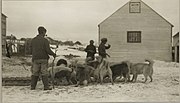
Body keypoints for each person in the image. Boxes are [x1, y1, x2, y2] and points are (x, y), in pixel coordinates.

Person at [31, 26, 56, 90]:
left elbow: (30, 49)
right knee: (44, 72)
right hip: (43, 58)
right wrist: (53, 54)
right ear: (43, 32)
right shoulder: (45, 40)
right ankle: (46, 87)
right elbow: (48, 50)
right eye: (45, 33)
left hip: (35, 58)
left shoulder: (33, 40)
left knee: (35, 72)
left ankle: (33, 87)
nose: (45, 34)